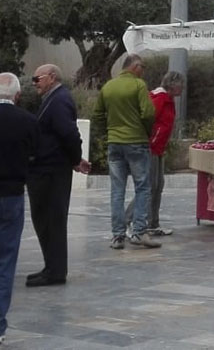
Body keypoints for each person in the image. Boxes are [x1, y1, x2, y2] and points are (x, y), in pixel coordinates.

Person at [26, 65, 89, 287]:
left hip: (51, 171)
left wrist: (74, 158)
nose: (34, 83)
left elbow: (69, 133)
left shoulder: (60, 100)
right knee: (45, 219)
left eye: (37, 79)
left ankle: (55, 271)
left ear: (52, 77)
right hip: (48, 169)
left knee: (51, 219)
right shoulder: (53, 98)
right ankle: (51, 267)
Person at [92, 54, 159, 249]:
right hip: (136, 142)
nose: (143, 71)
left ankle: (118, 236)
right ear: (135, 67)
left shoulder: (108, 86)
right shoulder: (138, 85)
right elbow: (148, 113)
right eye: (143, 67)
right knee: (143, 187)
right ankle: (138, 232)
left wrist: (109, 131)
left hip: (114, 143)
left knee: (117, 190)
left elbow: (97, 115)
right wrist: (145, 131)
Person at [0, 73, 38, 345]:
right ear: (17, 95)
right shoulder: (27, 121)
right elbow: (35, 155)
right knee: (6, 259)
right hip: (11, 194)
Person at [127, 71, 184, 237]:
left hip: (158, 148)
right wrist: (150, 140)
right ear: (173, 85)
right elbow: (146, 118)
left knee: (158, 185)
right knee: (149, 186)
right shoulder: (160, 98)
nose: (183, 88)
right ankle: (126, 219)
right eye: (181, 85)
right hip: (150, 148)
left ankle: (152, 223)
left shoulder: (168, 99)